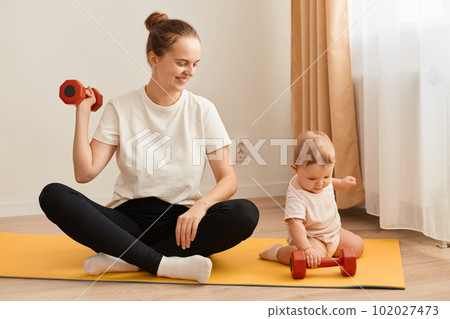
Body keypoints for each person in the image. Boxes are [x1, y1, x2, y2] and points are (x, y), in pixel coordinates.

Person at [39, 12, 259, 284]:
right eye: (182, 63)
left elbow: (228, 180)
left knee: (246, 213)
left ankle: (129, 259)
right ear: (154, 59)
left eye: (195, 64)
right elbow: (85, 173)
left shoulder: (203, 110)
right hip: (128, 221)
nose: (190, 71)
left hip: (182, 223)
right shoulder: (121, 107)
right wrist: (82, 113)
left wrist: (201, 207)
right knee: (53, 195)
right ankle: (163, 263)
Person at [259, 131, 363, 269]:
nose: (320, 183)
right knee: (309, 259)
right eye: (312, 179)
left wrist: (342, 183)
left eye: (326, 176)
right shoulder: (297, 196)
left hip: (334, 232)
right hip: (310, 239)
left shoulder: (322, 180)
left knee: (358, 246)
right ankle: (277, 252)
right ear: (295, 169)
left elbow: (331, 182)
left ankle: (329, 251)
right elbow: (296, 224)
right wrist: (307, 249)